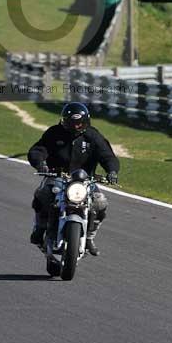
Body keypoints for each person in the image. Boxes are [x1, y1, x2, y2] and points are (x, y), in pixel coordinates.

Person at [28, 101, 119, 256]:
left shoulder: (93, 136)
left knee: (100, 202)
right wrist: (40, 163)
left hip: (85, 181)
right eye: (72, 123)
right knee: (43, 194)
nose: (76, 126)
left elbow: (108, 156)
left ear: (86, 122)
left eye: (80, 123)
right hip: (57, 177)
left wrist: (112, 171)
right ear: (64, 121)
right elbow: (38, 150)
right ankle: (40, 227)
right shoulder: (53, 133)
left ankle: (89, 236)